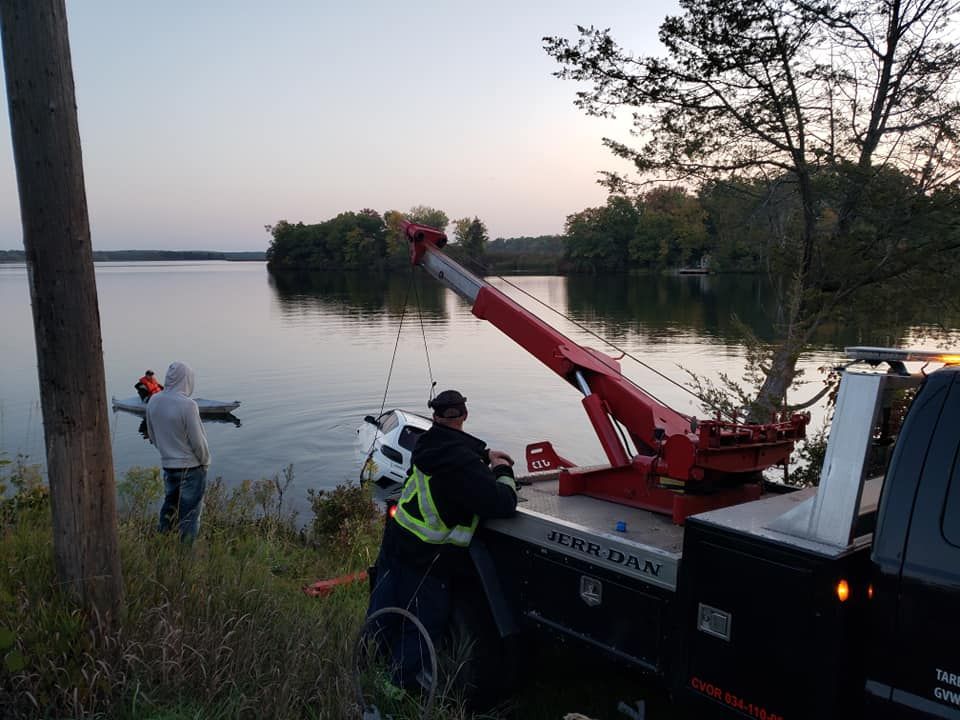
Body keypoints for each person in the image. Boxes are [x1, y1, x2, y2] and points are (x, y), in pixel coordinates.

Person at [366, 389, 518, 690]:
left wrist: (483, 454)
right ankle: (393, 688)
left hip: (396, 542)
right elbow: (501, 503)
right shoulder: (462, 466)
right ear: (464, 415)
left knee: (382, 610)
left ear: (434, 416)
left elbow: (453, 449)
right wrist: (502, 472)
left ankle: (366, 663)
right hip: (426, 559)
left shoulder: (425, 444)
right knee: (423, 625)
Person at [145, 361, 211, 542]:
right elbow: (198, 442)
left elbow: (152, 436)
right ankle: (185, 561)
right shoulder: (188, 405)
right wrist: (205, 463)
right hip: (192, 468)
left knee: (169, 512)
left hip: (168, 466)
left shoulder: (154, 400)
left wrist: (168, 454)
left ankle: (161, 548)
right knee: (189, 518)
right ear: (187, 380)